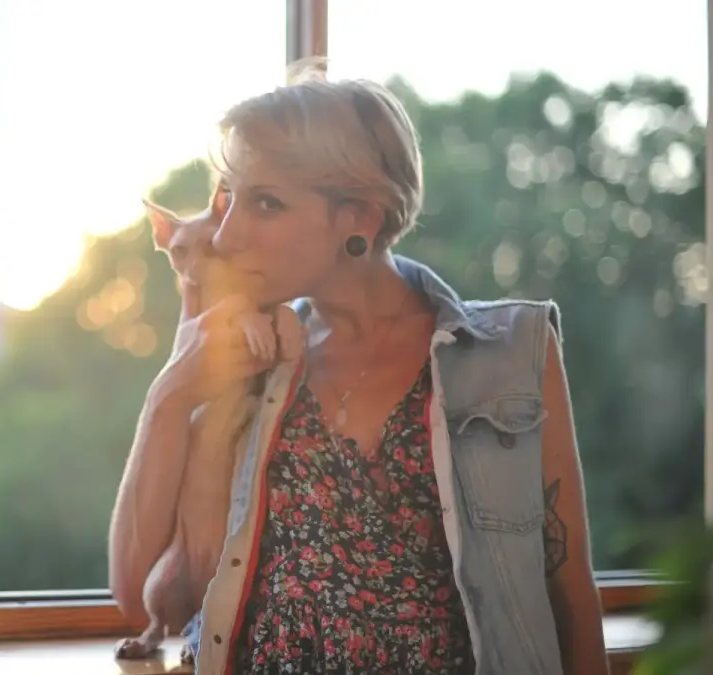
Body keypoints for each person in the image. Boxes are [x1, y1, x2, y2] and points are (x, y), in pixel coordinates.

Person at [108, 61, 609, 675]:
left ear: (359, 221)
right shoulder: (249, 360)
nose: (228, 233)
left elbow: (569, 591)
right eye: (228, 198)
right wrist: (170, 392)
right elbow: (144, 594)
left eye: (264, 203)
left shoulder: (512, 351)